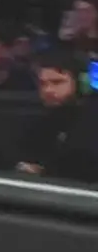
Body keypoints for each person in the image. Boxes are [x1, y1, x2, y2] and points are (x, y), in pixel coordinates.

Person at [16, 49, 98, 184]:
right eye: (43, 84)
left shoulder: (93, 118)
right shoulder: (49, 118)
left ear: (81, 83)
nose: (47, 90)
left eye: (57, 82)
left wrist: (44, 172)